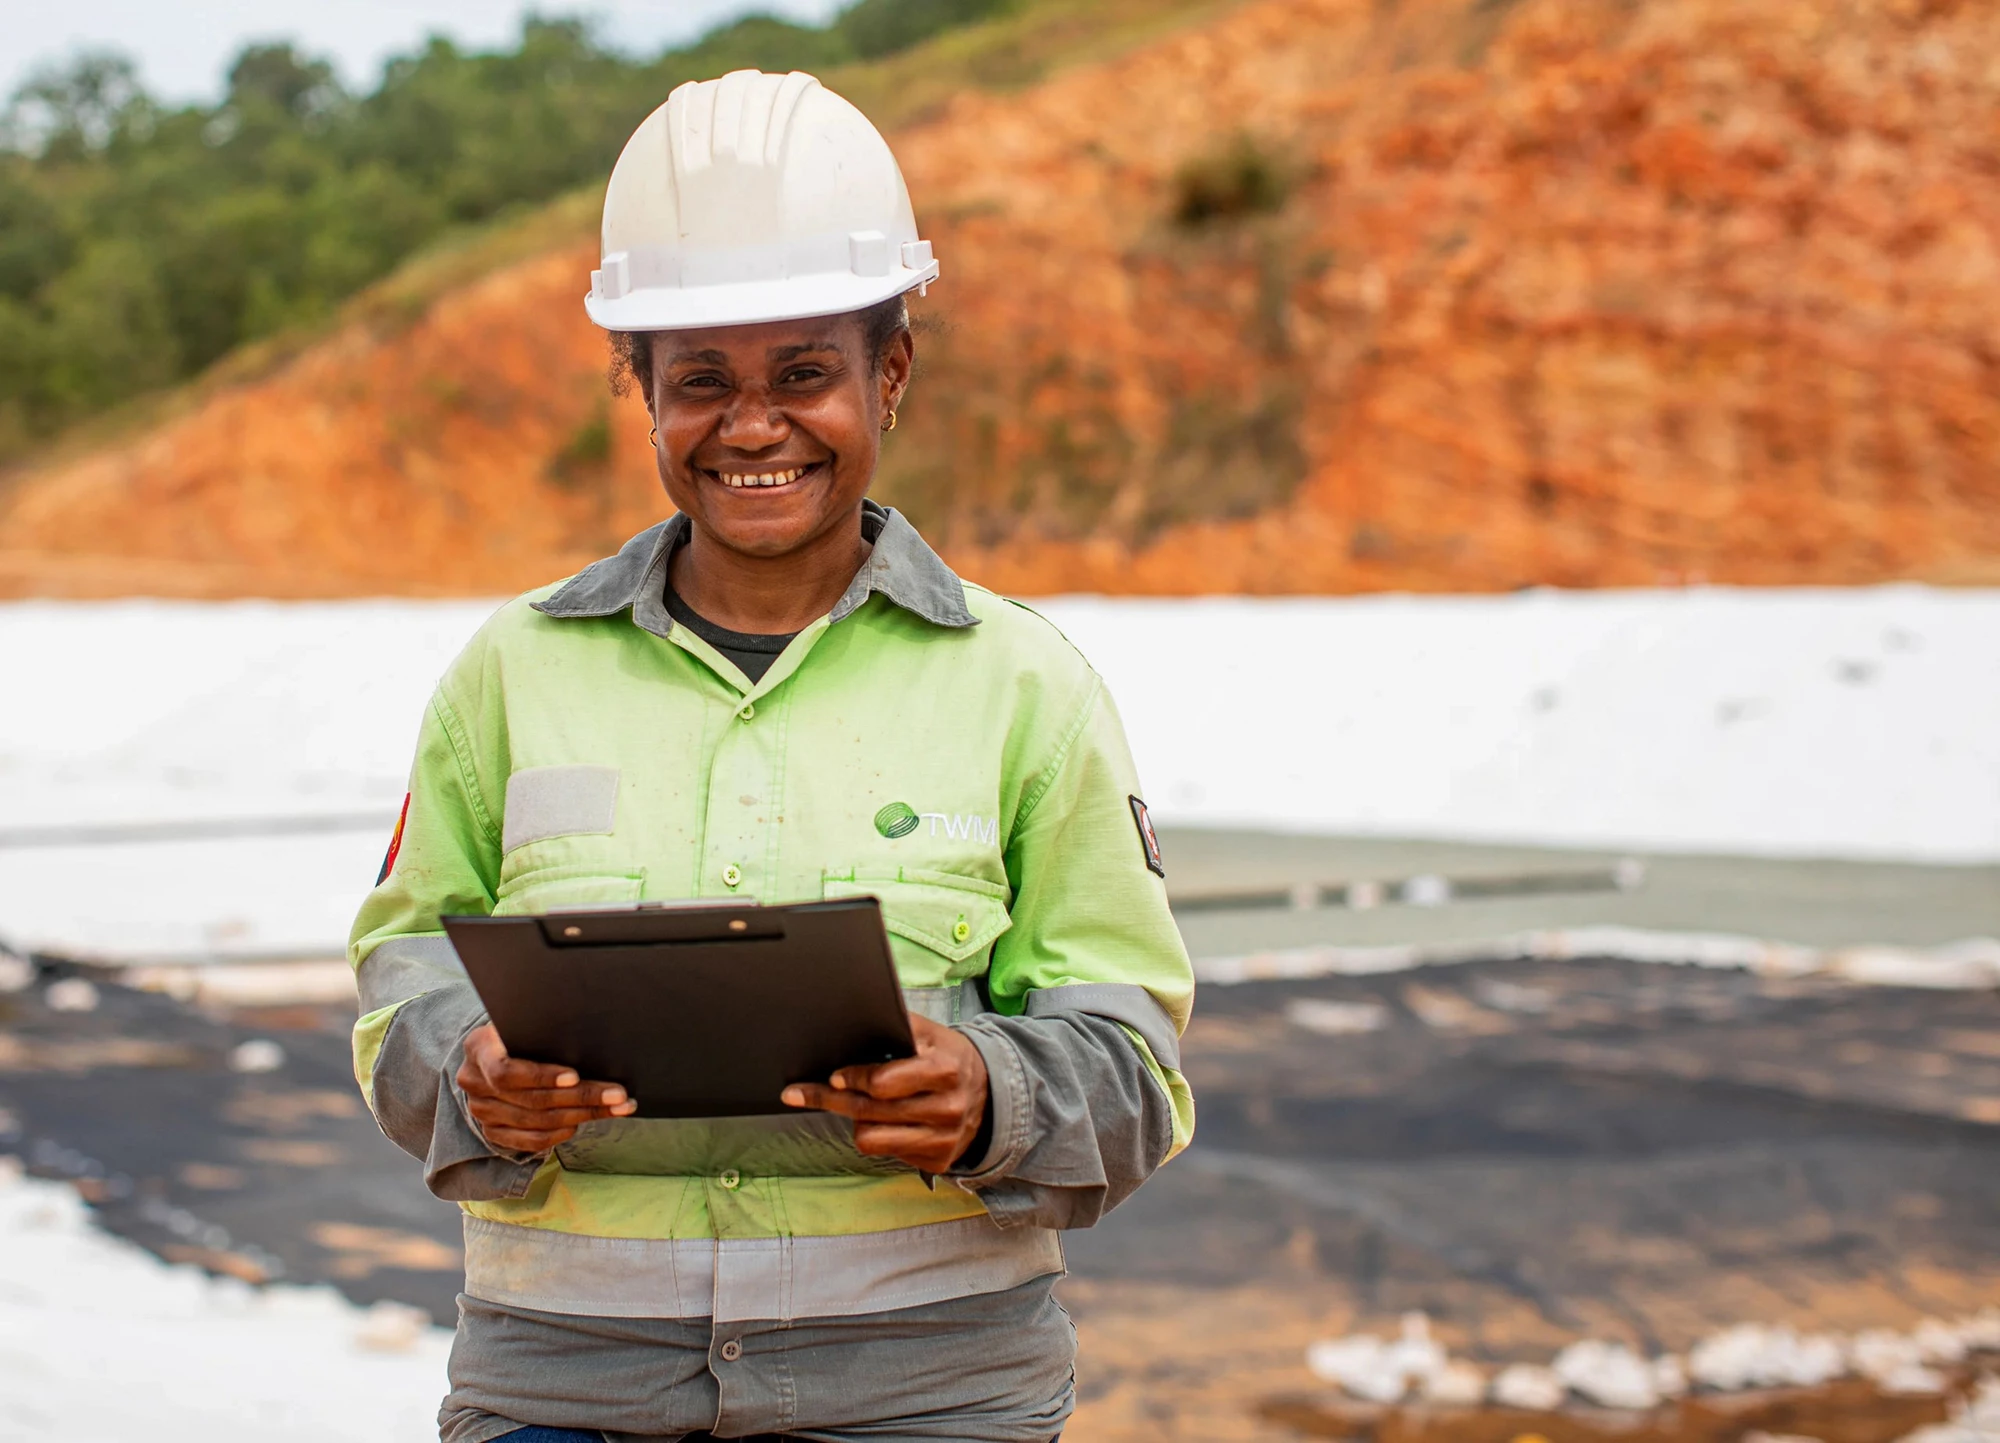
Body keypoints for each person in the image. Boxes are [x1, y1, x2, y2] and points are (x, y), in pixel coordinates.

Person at [349, 68, 1195, 1443]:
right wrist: (470, 1075)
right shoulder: (510, 675)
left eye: (805, 371)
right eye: (701, 383)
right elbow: (400, 985)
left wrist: (994, 1095)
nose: (753, 426)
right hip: (566, 1380)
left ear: (891, 372)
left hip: (928, 1389)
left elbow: (1140, 1063)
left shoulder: (1024, 686)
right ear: (642, 390)